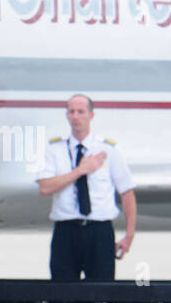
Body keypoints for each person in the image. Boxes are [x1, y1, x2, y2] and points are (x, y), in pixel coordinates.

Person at [36, 94, 136, 281]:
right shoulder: (54, 149)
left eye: (81, 112)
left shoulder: (108, 149)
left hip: (99, 231)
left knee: (102, 292)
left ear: (91, 115)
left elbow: (127, 192)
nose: (76, 116)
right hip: (66, 231)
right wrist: (80, 171)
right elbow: (45, 188)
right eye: (71, 112)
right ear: (66, 115)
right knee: (62, 291)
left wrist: (129, 235)